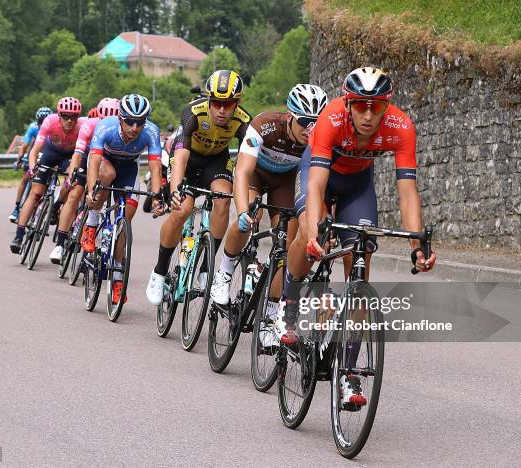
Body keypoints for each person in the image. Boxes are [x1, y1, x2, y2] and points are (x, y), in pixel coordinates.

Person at [278, 67, 437, 407]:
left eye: (376, 107)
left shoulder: (401, 127)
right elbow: (317, 183)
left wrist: (416, 246)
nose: (368, 115)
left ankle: (347, 373)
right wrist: (316, 227)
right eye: (361, 106)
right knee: (310, 232)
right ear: (348, 103)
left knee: (360, 265)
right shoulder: (331, 119)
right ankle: (288, 305)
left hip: (357, 188)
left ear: (387, 106)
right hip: (321, 174)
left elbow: (408, 192)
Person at [209, 84, 328, 309]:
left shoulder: (319, 140)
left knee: (287, 244)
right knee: (251, 216)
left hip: (284, 182)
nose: (310, 130)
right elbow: (243, 171)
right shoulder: (265, 125)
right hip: (256, 174)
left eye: (316, 124)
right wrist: (243, 210)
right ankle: (224, 271)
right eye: (304, 122)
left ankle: (271, 312)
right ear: (291, 116)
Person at [145, 70, 251, 305]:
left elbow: (252, 157)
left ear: (237, 103)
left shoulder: (243, 120)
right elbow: (180, 156)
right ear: (209, 100)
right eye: (217, 103)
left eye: (228, 104)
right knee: (182, 209)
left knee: (223, 199)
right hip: (189, 160)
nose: (222, 110)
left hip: (216, 161)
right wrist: (174, 190)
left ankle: (206, 268)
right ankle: (159, 272)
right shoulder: (193, 112)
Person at [80, 94, 163, 304]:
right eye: (129, 121)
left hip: (128, 168)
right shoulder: (105, 127)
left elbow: (155, 167)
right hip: (105, 162)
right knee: (107, 176)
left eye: (140, 123)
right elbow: (94, 161)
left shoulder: (151, 132)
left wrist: (156, 196)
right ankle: (90, 225)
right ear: (120, 118)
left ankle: (117, 276)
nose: (135, 127)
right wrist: (91, 191)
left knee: (124, 222)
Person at [9, 97, 85, 254]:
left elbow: (79, 156)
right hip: (50, 153)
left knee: (74, 180)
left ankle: (57, 203)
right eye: (65, 116)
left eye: (73, 117)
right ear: (59, 115)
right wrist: (31, 168)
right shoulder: (50, 122)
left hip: (70, 156)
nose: (69, 121)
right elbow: (35, 150)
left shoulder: (82, 126)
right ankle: (19, 236)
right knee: (35, 192)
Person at [48, 97, 119, 264]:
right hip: (90, 156)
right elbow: (78, 152)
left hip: (111, 162)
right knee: (75, 193)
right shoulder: (89, 125)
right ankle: (59, 244)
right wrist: (72, 172)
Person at [8, 107, 52, 222]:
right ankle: (17, 208)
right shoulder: (33, 127)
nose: (42, 124)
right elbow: (24, 145)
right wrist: (19, 159)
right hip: (34, 154)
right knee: (25, 179)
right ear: (37, 121)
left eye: (45, 121)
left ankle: (41, 208)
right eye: (40, 121)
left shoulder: (54, 128)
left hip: (49, 155)